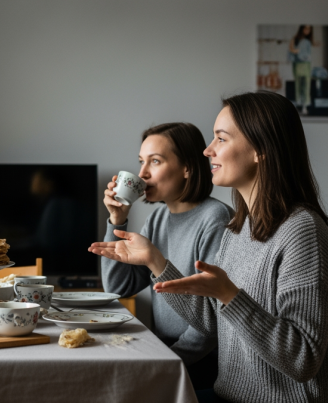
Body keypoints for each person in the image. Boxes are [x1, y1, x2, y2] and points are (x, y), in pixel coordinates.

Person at [90, 92, 328, 403]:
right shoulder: (240, 229)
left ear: (260, 150)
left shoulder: (302, 233)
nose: (208, 150)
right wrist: (156, 262)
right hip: (230, 395)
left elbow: (303, 359)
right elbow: (210, 322)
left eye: (221, 139)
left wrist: (229, 295)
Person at [99, 123, 232, 389]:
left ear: (187, 168)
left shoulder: (215, 219)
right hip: (166, 347)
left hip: (204, 360)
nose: (142, 174)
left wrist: (165, 362)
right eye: (141, 162)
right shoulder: (158, 218)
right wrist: (117, 222)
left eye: (155, 161)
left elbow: (212, 324)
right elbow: (118, 287)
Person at [288, 24, 319, 111]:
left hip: (306, 64)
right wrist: (298, 51)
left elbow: (310, 51)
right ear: (302, 29)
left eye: (309, 29)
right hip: (298, 64)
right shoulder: (296, 39)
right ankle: (299, 104)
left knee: (306, 84)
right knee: (299, 84)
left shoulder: (308, 41)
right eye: (306, 29)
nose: (307, 31)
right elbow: (291, 49)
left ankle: (306, 104)